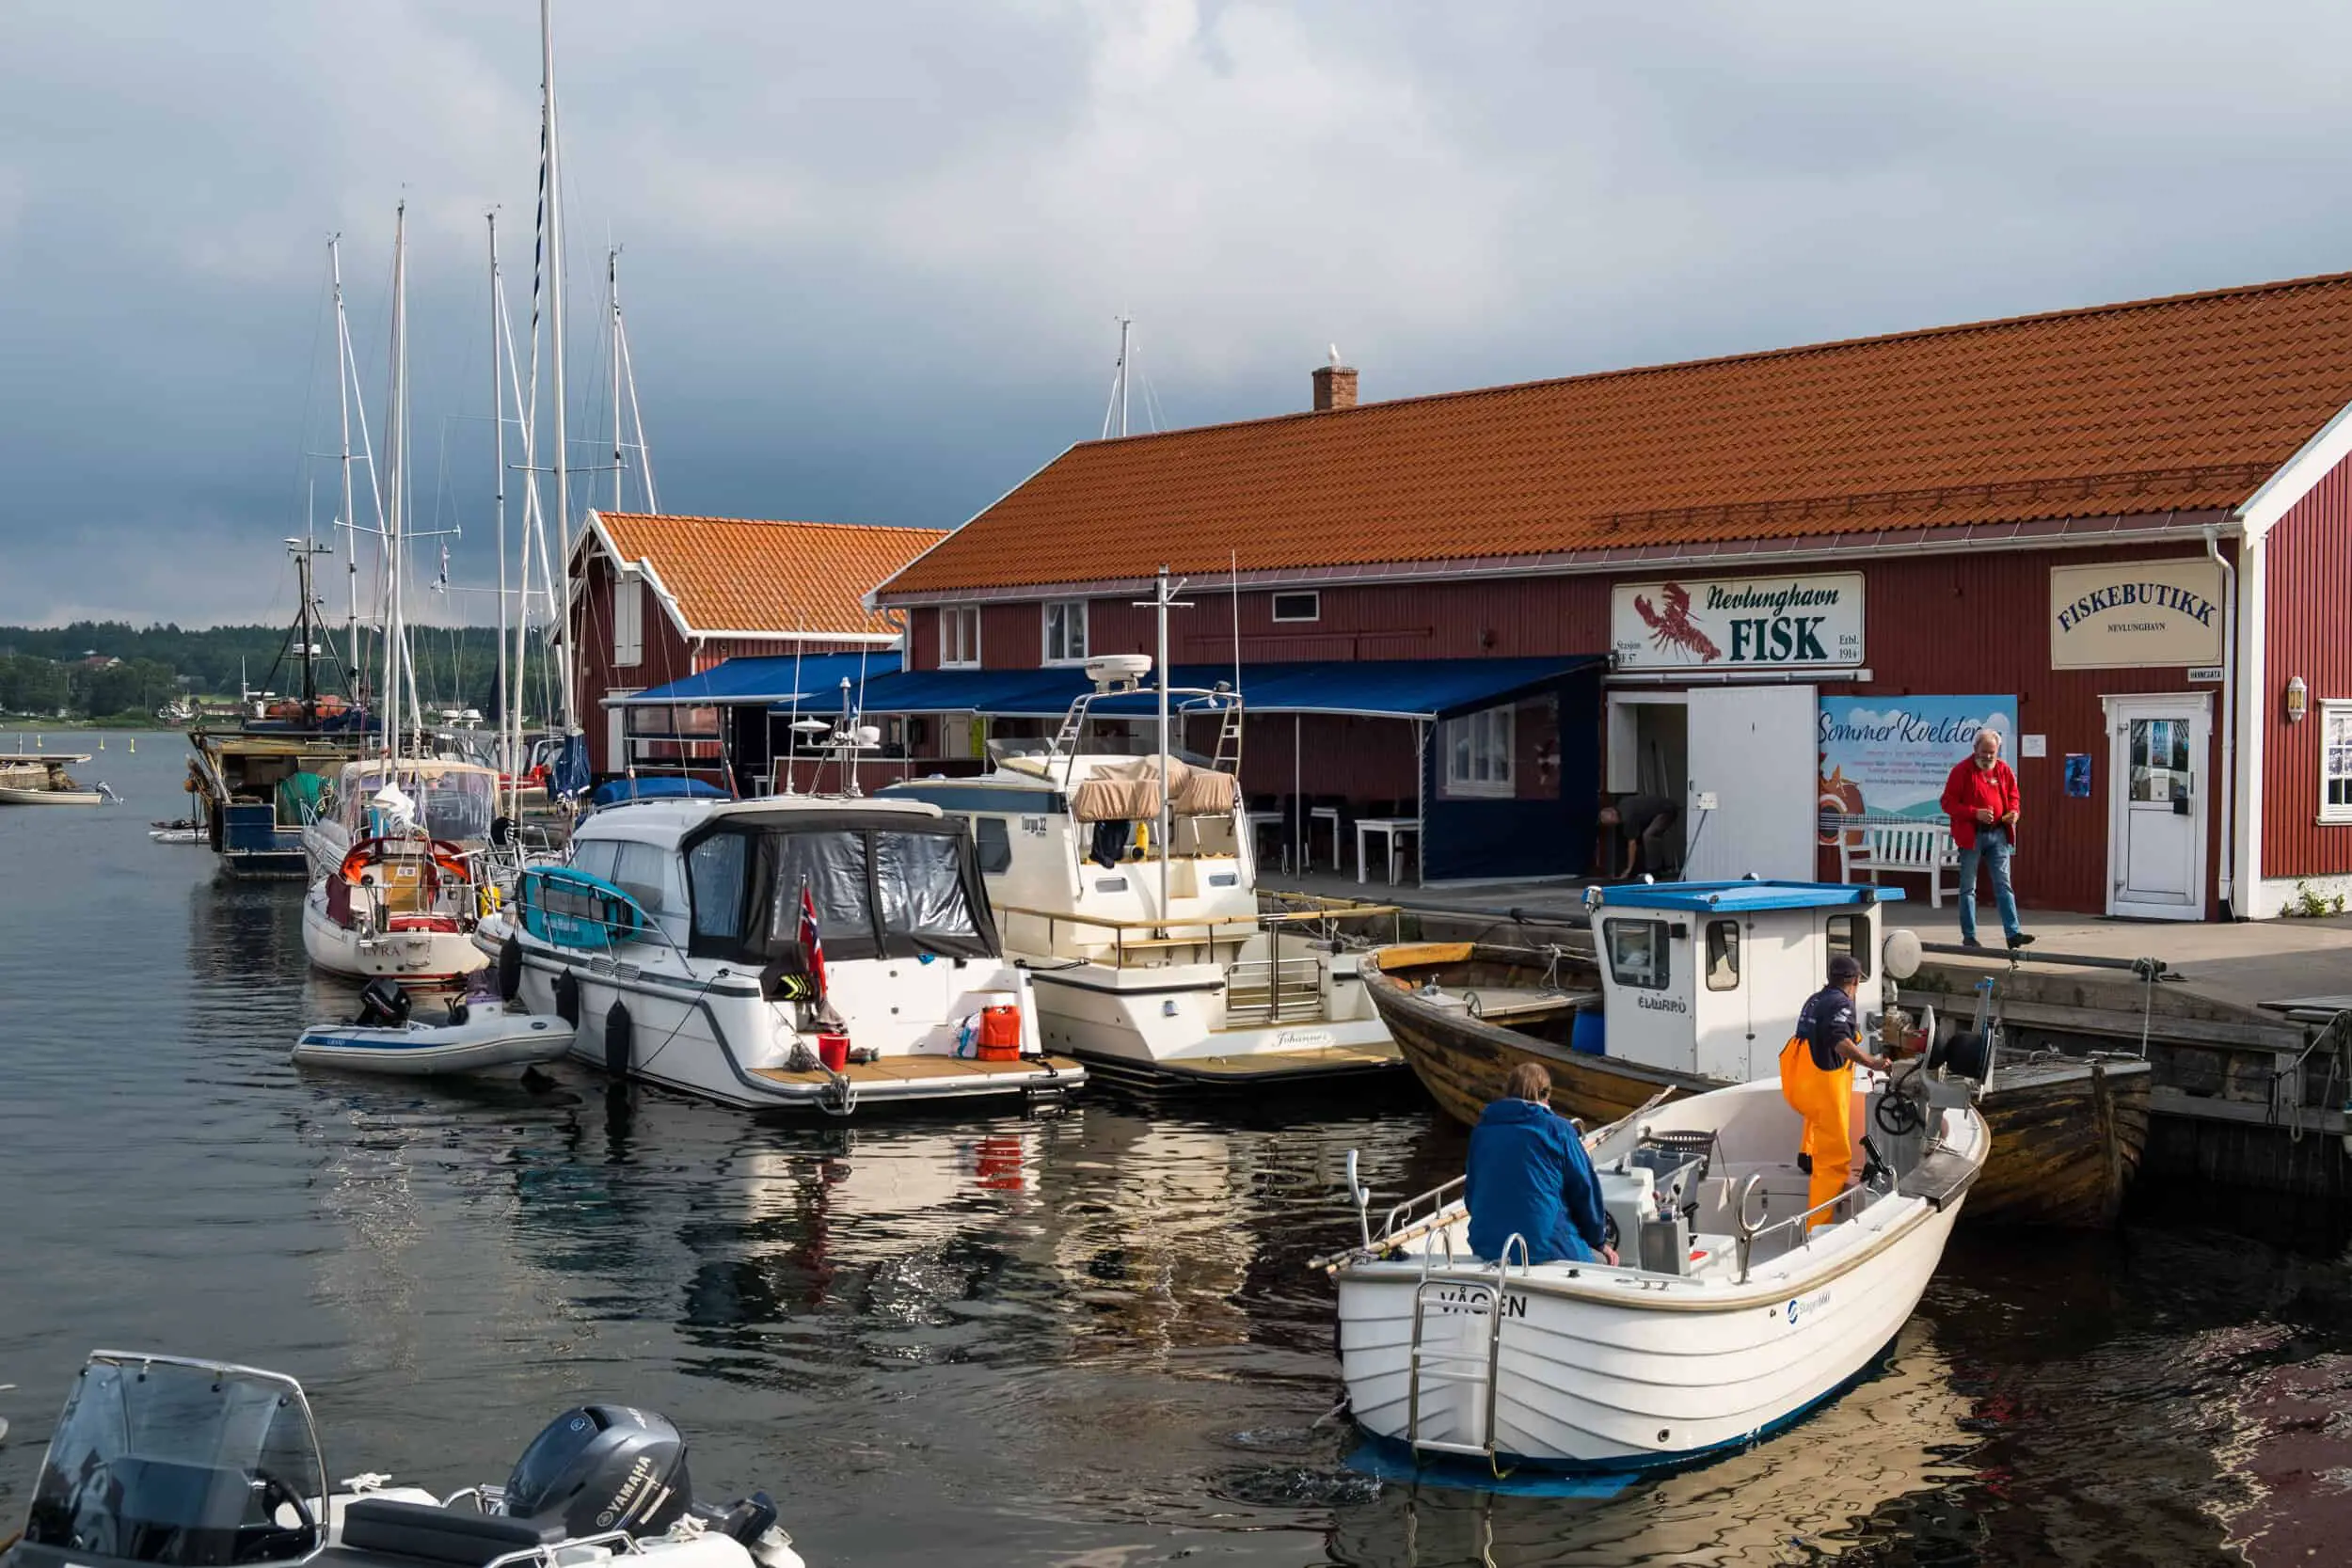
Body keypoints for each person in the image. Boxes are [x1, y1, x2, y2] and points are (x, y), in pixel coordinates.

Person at [1777, 954, 1892, 1229]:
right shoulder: (1842, 1002)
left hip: (1798, 1085)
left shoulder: (1815, 999)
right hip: (1822, 1086)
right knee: (1835, 1161)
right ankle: (1816, 1228)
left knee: (1816, 1121)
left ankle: (1807, 1156)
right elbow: (1839, 1039)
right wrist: (1873, 1063)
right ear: (1854, 980)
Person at [1465, 1061, 1617, 1266]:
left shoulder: (1482, 1131)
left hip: (1488, 1246)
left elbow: (1471, 1196)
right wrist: (1598, 1241)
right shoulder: (1559, 1131)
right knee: (1607, 1261)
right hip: (1545, 1248)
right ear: (1546, 1095)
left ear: (1508, 1092)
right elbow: (1584, 1191)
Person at [1939, 727, 2033, 950]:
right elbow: (1947, 803)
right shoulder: (1961, 771)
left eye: (1992, 752)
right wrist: (1974, 813)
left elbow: (2014, 797)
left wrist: (2014, 813)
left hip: (1998, 833)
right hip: (1973, 835)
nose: (1988, 757)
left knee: (2004, 885)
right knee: (1968, 888)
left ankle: (2013, 933)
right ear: (1975, 749)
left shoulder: (2003, 770)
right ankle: (1969, 936)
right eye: (1984, 752)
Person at [1597, 792, 1680, 879]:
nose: (1611, 826)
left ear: (1612, 816)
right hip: (1662, 806)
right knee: (1645, 837)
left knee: (1649, 836)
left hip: (1666, 810)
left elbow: (1632, 844)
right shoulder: (1622, 804)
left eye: (1609, 823)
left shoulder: (1627, 818)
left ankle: (1654, 871)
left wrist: (1628, 869)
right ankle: (1652, 866)